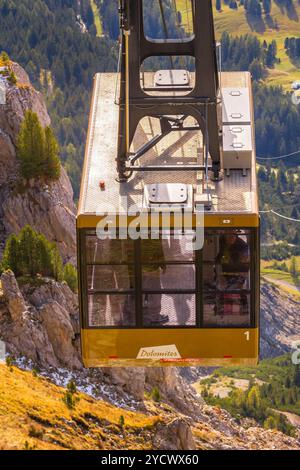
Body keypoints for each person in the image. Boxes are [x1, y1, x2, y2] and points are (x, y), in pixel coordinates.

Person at [216, 233, 250, 315]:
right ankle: (220, 309)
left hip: (237, 274)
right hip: (226, 274)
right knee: (221, 289)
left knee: (237, 290)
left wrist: (242, 276)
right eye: (228, 235)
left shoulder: (242, 246)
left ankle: (243, 310)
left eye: (232, 236)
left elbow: (246, 261)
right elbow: (217, 261)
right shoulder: (220, 243)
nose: (230, 238)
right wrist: (219, 275)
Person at [142, 238, 169, 325]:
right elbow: (158, 248)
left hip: (138, 266)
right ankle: (154, 316)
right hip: (151, 267)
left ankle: (138, 315)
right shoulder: (154, 231)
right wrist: (163, 264)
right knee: (155, 292)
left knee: (141, 290)